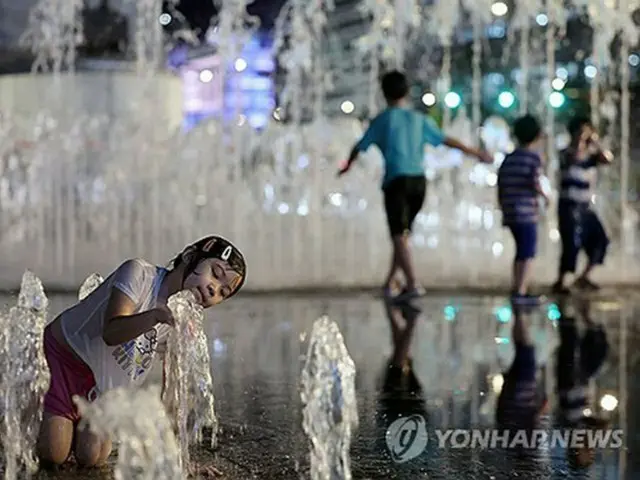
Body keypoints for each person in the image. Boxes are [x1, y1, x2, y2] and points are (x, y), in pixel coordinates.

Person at [37, 235, 246, 470]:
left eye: (222, 292)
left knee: (92, 456)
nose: (213, 289)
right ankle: (33, 410)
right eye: (215, 273)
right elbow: (112, 332)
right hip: (63, 359)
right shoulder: (139, 274)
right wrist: (155, 316)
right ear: (189, 257)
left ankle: (65, 422)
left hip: (101, 386)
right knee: (54, 454)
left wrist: (179, 461)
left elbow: (173, 396)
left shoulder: (183, 322)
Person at [337, 70, 492, 303]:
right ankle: (390, 283)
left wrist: (347, 165)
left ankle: (412, 283)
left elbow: (359, 146)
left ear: (383, 93)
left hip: (396, 181)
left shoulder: (383, 120)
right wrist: (476, 153)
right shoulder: (418, 119)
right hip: (419, 182)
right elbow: (446, 140)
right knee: (403, 235)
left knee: (399, 235)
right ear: (407, 92)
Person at [552, 116, 613, 294]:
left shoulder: (593, 156)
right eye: (581, 131)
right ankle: (561, 281)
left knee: (600, 240)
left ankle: (584, 277)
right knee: (571, 243)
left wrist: (596, 141)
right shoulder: (566, 153)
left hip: (585, 207)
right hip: (568, 206)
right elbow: (574, 158)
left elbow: (608, 159)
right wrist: (581, 140)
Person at [497, 114, 549, 306]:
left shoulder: (509, 158)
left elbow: (501, 184)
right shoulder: (532, 158)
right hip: (526, 213)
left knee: (520, 251)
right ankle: (521, 291)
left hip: (511, 212)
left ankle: (517, 286)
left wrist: (503, 208)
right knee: (527, 251)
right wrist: (545, 196)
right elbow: (534, 181)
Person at [555, 297, 609, 469]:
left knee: (572, 340)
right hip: (581, 379)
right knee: (597, 346)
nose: (589, 452)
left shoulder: (571, 433)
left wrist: (596, 426)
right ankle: (582, 308)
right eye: (590, 455)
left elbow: (577, 419)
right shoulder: (583, 435)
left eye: (586, 456)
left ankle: (565, 302)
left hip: (571, 378)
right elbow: (593, 421)